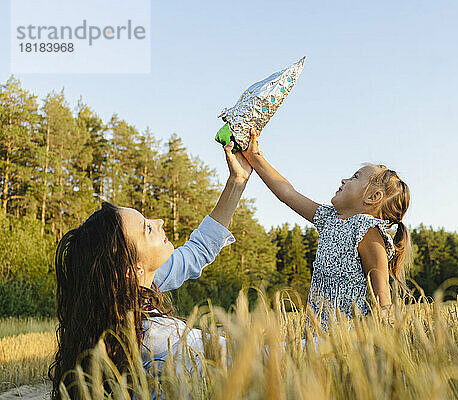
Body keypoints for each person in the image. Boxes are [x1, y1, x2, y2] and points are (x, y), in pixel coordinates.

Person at [48, 141, 252, 400]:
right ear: (130, 269)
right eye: (147, 228)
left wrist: (237, 181)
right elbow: (246, 360)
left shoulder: (127, 295)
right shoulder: (159, 343)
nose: (159, 222)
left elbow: (198, 251)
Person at [242, 129, 411, 330]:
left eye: (355, 177)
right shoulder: (328, 218)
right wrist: (255, 158)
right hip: (315, 334)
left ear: (373, 197)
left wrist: (386, 343)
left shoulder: (368, 231)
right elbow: (287, 193)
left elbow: (381, 294)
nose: (344, 180)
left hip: (346, 340)